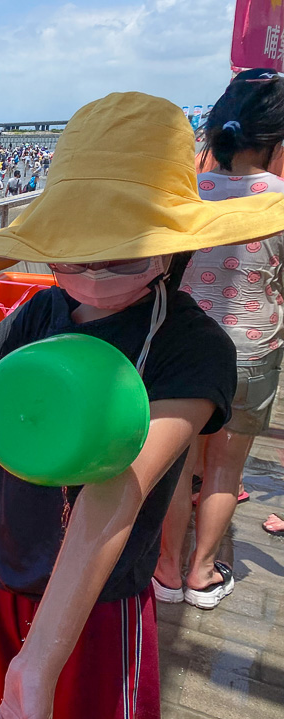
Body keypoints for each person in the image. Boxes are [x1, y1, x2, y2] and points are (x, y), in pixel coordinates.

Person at [0, 92, 284, 719]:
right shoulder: (38, 315)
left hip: (96, 595)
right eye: (73, 258)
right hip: (2, 561)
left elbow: (120, 488)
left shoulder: (193, 349)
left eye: (125, 258)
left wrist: (42, 658)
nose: (94, 280)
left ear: (173, 249)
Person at [154, 70, 284, 604]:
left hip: (182, 346)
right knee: (226, 471)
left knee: (177, 465)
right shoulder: (279, 200)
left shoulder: (187, 193)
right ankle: (202, 575)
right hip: (252, 350)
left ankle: (164, 569)